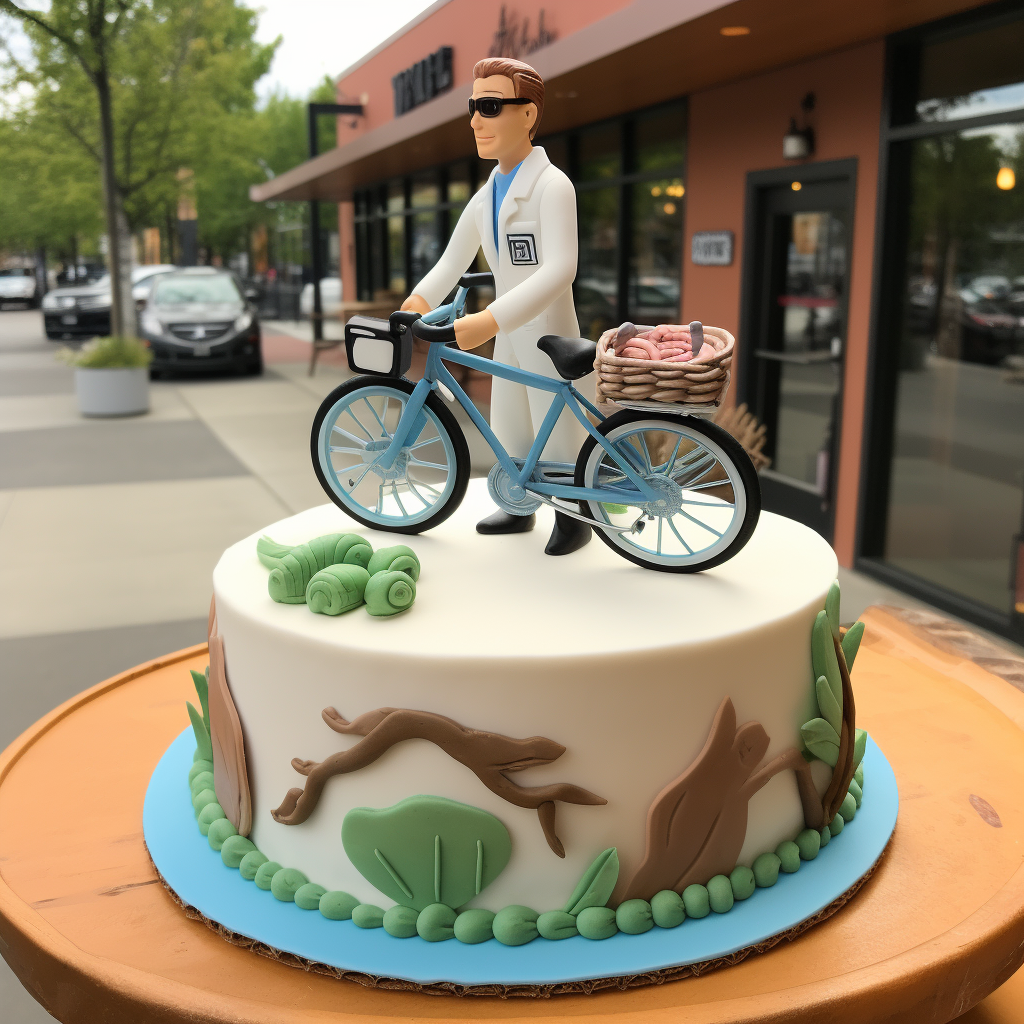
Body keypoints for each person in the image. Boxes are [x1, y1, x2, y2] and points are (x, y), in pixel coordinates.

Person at [401, 57, 592, 556]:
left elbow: (559, 270)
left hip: (547, 332)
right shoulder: (486, 195)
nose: (475, 120)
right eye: (473, 107)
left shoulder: (553, 187)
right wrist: (417, 302)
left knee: (554, 424)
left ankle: (575, 516)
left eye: (490, 106)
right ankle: (519, 500)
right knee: (507, 418)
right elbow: (451, 261)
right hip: (507, 332)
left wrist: (488, 319)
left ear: (528, 114)